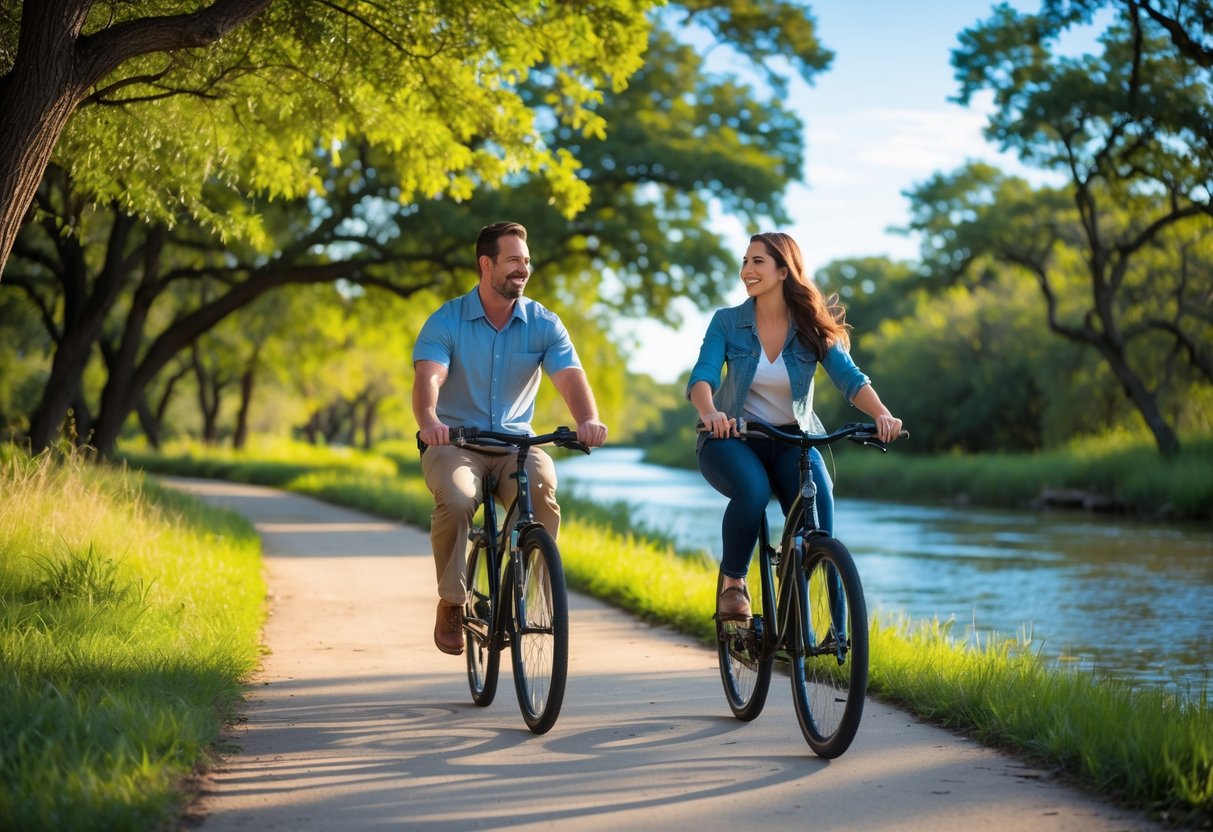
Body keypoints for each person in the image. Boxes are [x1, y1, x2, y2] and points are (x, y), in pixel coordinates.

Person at [412, 221, 608, 655]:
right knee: (460, 500)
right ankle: (452, 600)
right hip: (454, 444)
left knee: (542, 492)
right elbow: (430, 375)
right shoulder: (447, 320)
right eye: (514, 260)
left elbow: (570, 377)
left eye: (527, 261)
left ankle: (536, 598)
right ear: (487, 264)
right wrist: (429, 419)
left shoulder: (543, 323)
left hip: (516, 448)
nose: (524, 268)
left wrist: (589, 419)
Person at [687, 231, 901, 622]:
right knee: (752, 491)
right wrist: (709, 413)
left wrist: (882, 415)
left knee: (820, 519)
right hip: (732, 437)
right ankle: (733, 584)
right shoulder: (728, 323)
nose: (746, 270)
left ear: (784, 270)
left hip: (793, 439)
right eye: (745, 262)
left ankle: (832, 628)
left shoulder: (812, 328)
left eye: (757, 262)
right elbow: (703, 376)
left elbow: (850, 378)